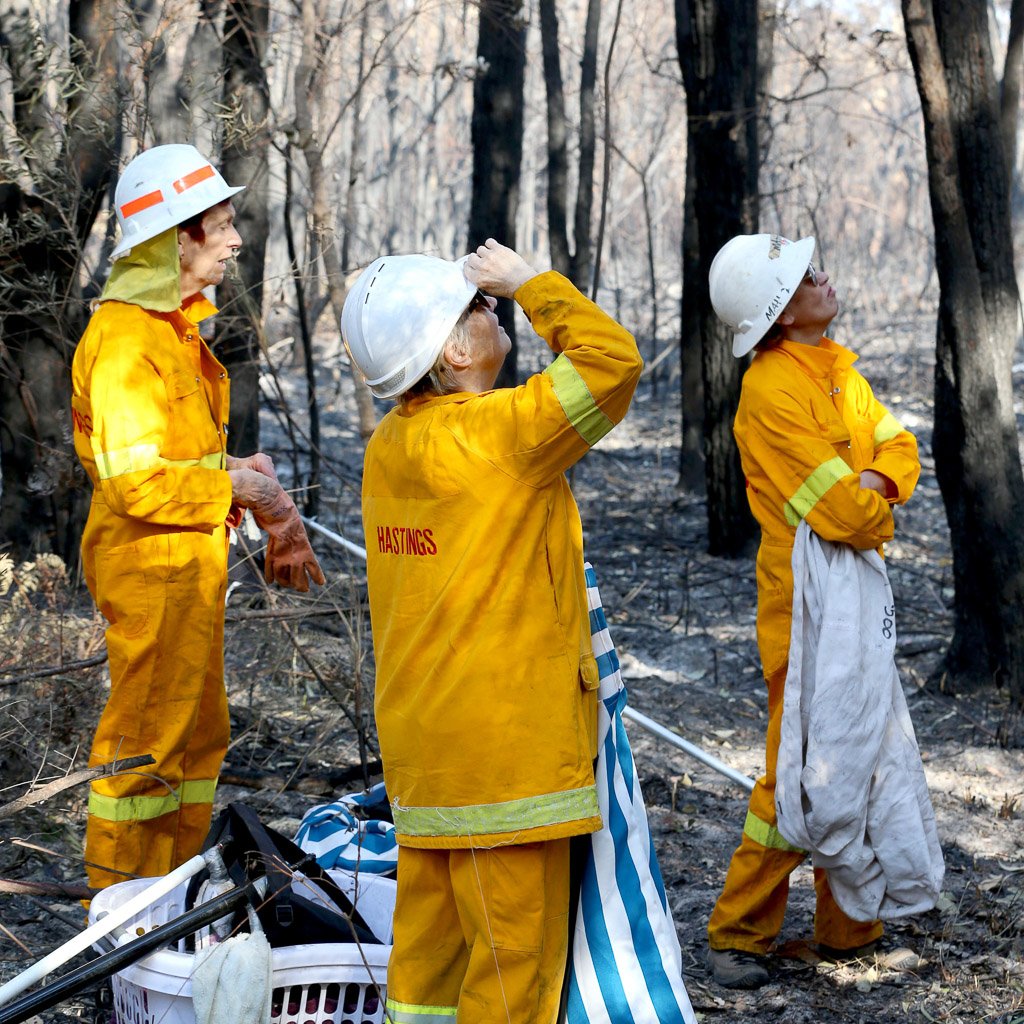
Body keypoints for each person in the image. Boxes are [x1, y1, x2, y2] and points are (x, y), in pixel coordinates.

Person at [341, 239, 642, 1024]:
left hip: (427, 760)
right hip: (507, 766)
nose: (492, 308)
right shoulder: (502, 436)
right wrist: (531, 283)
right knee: (511, 981)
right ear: (452, 350)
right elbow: (612, 364)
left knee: (427, 974)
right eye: (476, 306)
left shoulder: (386, 450)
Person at [71, 143, 324, 890]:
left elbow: (178, 459)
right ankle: (119, 924)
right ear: (177, 236)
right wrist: (241, 492)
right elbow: (138, 487)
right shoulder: (123, 342)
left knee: (193, 742)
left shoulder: (172, 332)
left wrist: (238, 470)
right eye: (222, 222)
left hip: (188, 573)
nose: (236, 239)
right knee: (144, 751)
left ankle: (172, 901)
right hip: (150, 575)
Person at [704, 232, 921, 988]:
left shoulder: (837, 371)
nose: (822, 276)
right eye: (803, 277)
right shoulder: (772, 391)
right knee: (798, 770)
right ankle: (737, 933)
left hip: (855, 590)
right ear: (776, 311)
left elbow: (902, 449)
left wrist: (879, 482)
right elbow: (842, 514)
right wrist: (869, 494)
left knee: (853, 751)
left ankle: (849, 930)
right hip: (805, 603)